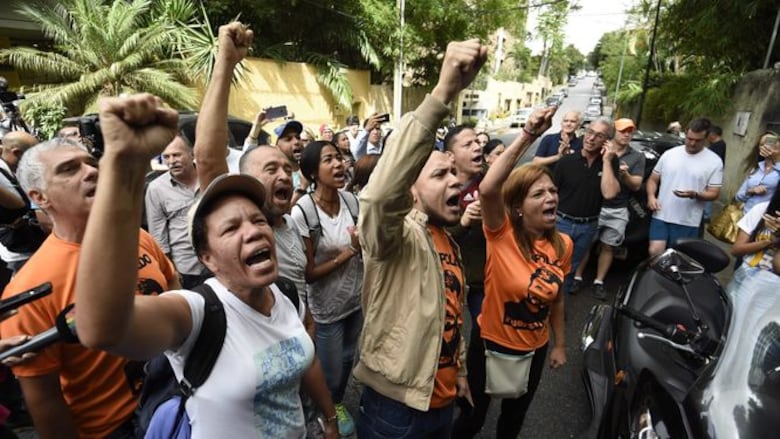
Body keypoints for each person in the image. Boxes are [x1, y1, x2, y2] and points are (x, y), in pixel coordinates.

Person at [75, 59, 339, 439]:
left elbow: (301, 359)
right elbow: (101, 327)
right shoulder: (197, 314)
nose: (253, 232)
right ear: (207, 258)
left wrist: (329, 420)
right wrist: (122, 165)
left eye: (258, 220)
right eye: (231, 227)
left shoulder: (285, 294)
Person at [0, 135, 180, 439]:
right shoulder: (29, 288)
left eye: (91, 163)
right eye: (69, 169)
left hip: (181, 400)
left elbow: (175, 288)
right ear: (40, 197)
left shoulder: (137, 237)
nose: (92, 172)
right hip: (118, 429)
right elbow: (45, 400)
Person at [354, 39, 486, 438]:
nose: (456, 181)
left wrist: (459, 370)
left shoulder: (447, 241)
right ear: (410, 190)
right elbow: (378, 196)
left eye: (454, 173)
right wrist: (443, 92)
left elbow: (448, 316)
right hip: (395, 412)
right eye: (440, 174)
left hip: (441, 401)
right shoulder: (396, 236)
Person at [453, 108, 571, 438]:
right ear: (518, 208)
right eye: (539, 193)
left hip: (534, 349)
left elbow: (557, 300)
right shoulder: (501, 236)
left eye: (552, 192)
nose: (551, 198)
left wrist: (560, 345)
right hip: (490, 345)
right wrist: (529, 135)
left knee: (511, 422)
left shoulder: (564, 244)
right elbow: (490, 188)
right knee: (472, 418)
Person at [291, 140, 363, 436]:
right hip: (327, 309)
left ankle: (334, 406)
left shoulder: (351, 201)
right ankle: (325, 416)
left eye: (340, 158)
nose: (339, 165)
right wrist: (349, 251)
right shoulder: (304, 213)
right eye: (329, 160)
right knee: (330, 373)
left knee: (348, 360)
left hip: (356, 301)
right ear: (312, 171)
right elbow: (308, 273)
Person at [573, 118, 645, 300]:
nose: (627, 134)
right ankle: (577, 277)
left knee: (609, 246)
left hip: (618, 209)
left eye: (630, 131)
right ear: (613, 133)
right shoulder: (599, 150)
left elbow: (636, 185)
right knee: (585, 243)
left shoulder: (637, 156)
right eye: (623, 131)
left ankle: (599, 281)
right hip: (595, 206)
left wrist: (625, 175)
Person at [553, 117, 620, 296]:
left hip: (588, 226)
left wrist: (607, 161)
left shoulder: (610, 162)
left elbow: (610, 193)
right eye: (590, 132)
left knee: (571, 269)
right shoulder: (567, 161)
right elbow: (551, 194)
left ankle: (560, 306)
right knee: (553, 266)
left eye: (599, 136)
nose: (591, 138)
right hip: (561, 223)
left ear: (606, 141)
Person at [646, 118, 723, 256]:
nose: (692, 143)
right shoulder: (670, 154)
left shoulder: (714, 161)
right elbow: (653, 179)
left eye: (698, 140)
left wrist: (695, 194)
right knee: (655, 251)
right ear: (685, 134)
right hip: (661, 214)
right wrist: (651, 197)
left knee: (677, 257)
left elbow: (714, 193)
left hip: (688, 220)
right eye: (689, 138)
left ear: (706, 138)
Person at [145, 136, 210, 289]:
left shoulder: (209, 177)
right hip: (186, 269)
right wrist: (171, 272)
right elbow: (158, 238)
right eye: (166, 157)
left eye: (177, 155)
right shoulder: (156, 189)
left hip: (219, 262)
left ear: (191, 154)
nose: (171, 161)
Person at [444, 125, 487, 326]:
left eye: (477, 142)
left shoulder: (492, 182)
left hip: (484, 278)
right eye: (468, 144)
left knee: (483, 331)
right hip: (447, 280)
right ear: (450, 156)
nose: (477, 147)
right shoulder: (437, 187)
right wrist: (464, 222)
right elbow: (431, 236)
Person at [0, 131, 43, 274]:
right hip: (21, 252)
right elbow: (19, 206)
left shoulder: (11, 168)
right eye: (30, 154)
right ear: (17, 153)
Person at [735, 131, 780, 214]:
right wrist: (750, 191)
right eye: (762, 144)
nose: (766, 146)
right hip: (745, 217)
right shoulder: (756, 168)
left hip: (765, 222)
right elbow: (738, 196)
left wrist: (777, 157)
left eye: (771, 142)